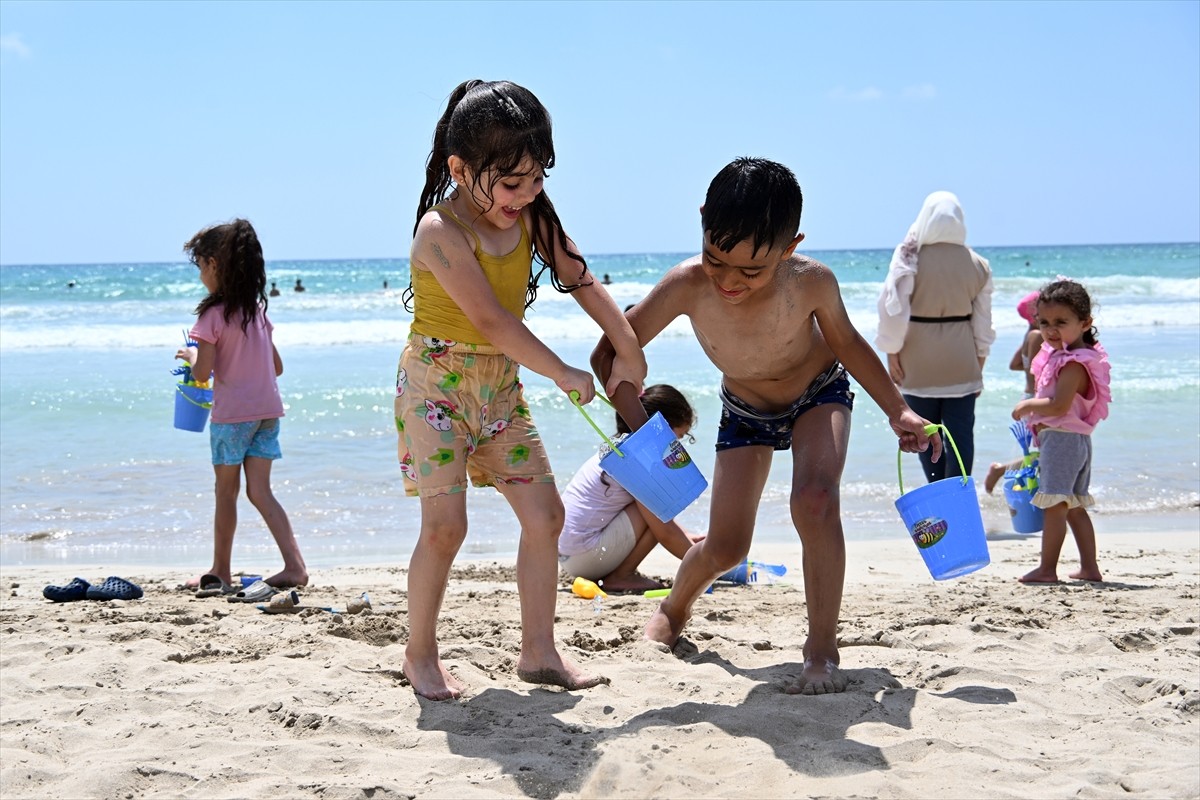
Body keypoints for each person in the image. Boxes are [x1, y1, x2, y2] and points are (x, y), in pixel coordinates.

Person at [592, 157, 940, 695]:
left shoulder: (812, 283)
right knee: (728, 547)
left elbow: (848, 344)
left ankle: (821, 647)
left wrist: (899, 410)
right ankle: (675, 607)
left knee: (816, 501)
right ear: (703, 220)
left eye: (752, 271)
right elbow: (609, 355)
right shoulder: (686, 285)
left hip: (818, 394)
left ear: (791, 246)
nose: (730, 281)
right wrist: (642, 433)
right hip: (745, 409)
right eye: (716, 260)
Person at [396, 79, 646, 700]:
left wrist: (627, 342)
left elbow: (579, 277)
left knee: (547, 517)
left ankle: (538, 652)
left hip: (500, 390)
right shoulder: (440, 231)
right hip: (437, 388)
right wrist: (562, 371)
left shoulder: (532, 214)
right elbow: (492, 321)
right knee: (445, 527)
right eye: (511, 183)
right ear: (461, 169)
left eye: (536, 179)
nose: (525, 194)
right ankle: (419, 655)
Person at [175, 219, 308, 592]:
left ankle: (220, 571)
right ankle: (294, 566)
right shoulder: (256, 312)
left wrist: (190, 354)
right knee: (261, 491)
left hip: (232, 418)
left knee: (226, 492)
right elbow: (277, 367)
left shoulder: (212, 316)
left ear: (215, 265)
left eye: (201, 266)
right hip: (268, 414)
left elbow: (202, 373)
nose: (201, 275)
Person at [875, 191, 995, 483]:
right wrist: (979, 362)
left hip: (917, 360)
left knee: (925, 433)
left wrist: (892, 352)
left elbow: (892, 311)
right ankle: (960, 499)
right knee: (961, 436)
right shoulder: (978, 264)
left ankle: (938, 493)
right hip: (961, 359)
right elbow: (983, 322)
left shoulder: (909, 258)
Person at [559, 385, 705, 592]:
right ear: (661, 428)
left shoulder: (620, 451)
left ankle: (621, 573)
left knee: (654, 507)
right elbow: (664, 532)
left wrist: (688, 537)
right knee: (658, 508)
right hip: (587, 557)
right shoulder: (639, 462)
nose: (677, 446)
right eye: (677, 438)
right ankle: (621, 575)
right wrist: (709, 566)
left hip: (570, 556)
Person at [1012, 279, 1110, 584]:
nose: (1051, 329)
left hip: (1064, 442)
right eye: (1044, 322)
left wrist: (1027, 407)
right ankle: (1089, 568)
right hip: (1075, 441)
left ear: (1084, 323)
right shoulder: (1071, 357)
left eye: (1061, 322)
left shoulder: (1073, 364)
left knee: (1054, 504)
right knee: (1074, 507)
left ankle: (1047, 569)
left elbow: (1057, 406)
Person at [984, 290, 1045, 493]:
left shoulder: (1030, 335)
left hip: (1029, 397)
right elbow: (1039, 374)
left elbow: (1015, 364)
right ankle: (1001, 470)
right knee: (1047, 453)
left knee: (1046, 451)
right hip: (1036, 399)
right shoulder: (1037, 337)